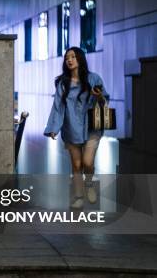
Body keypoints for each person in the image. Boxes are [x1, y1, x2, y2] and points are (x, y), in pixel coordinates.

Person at [44, 46, 109, 209]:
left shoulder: (94, 78)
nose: (69, 60)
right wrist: (54, 128)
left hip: (91, 126)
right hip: (71, 127)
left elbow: (105, 100)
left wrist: (98, 96)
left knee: (88, 162)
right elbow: (58, 106)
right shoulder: (62, 83)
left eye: (73, 57)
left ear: (80, 59)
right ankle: (79, 196)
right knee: (77, 165)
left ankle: (89, 185)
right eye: (67, 58)